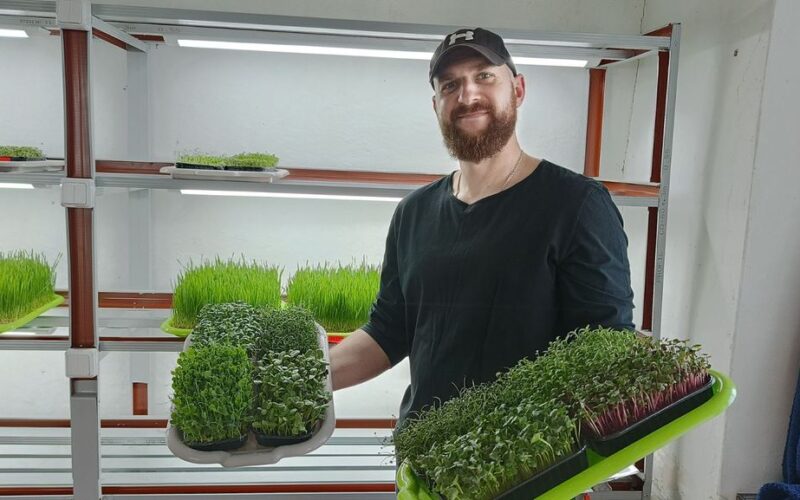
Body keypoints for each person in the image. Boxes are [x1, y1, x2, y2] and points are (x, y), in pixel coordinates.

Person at [330, 27, 634, 429]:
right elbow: (388, 332)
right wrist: (297, 380)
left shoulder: (576, 205)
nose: (467, 95)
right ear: (436, 105)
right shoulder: (413, 212)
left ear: (518, 90)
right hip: (423, 455)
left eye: (484, 76)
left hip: (530, 459)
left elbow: (606, 351)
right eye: (450, 85)